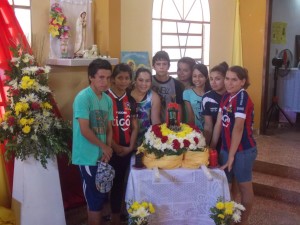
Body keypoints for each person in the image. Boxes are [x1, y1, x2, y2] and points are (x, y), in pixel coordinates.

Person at [210, 66, 257, 225]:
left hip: (243, 150)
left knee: (244, 187)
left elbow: (238, 127)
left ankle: (243, 222)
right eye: (227, 78)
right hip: (226, 148)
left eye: (234, 79)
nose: (229, 83)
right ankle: (230, 218)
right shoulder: (226, 96)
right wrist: (212, 146)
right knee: (228, 186)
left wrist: (231, 156)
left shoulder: (242, 97)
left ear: (243, 81)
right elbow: (218, 123)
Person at [72, 59, 113, 225]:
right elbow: (84, 129)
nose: (105, 82)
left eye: (108, 78)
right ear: (91, 77)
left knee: (100, 198)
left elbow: (109, 128)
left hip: (102, 155)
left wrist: (107, 149)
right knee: (94, 198)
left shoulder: (107, 100)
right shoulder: (83, 97)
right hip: (87, 156)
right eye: (101, 77)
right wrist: (103, 147)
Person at [106, 63, 138, 225]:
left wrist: (131, 147)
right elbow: (103, 128)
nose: (123, 81)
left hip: (127, 149)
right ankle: (111, 216)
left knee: (121, 182)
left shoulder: (130, 100)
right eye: (120, 78)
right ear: (112, 79)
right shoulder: (105, 98)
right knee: (107, 183)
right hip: (110, 149)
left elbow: (134, 126)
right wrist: (115, 146)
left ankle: (119, 215)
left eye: (127, 78)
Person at [129, 67, 161, 146]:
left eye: (147, 81)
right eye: (140, 80)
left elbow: (155, 122)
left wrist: (158, 143)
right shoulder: (126, 94)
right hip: (126, 139)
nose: (144, 84)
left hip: (145, 141)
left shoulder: (153, 97)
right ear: (135, 80)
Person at [151, 50, 184, 123]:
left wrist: (178, 125)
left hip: (171, 124)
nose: (161, 67)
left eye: (164, 64)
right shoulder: (148, 81)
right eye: (158, 64)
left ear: (168, 66)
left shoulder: (176, 84)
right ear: (153, 66)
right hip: (151, 124)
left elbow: (179, 108)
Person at [202, 62, 228, 150]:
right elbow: (208, 126)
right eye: (211, 79)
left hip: (231, 139)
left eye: (217, 79)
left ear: (225, 79)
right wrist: (207, 146)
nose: (213, 82)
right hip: (214, 138)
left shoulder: (233, 96)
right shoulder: (207, 97)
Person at [183, 63, 210, 130]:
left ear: (206, 77)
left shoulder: (211, 93)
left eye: (201, 76)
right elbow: (190, 116)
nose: (197, 79)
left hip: (210, 129)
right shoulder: (187, 93)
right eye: (194, 76)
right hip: (196, 130)